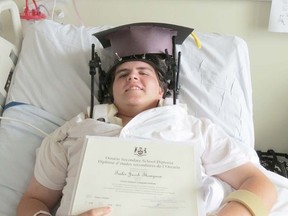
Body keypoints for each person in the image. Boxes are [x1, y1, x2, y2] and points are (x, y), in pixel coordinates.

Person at [17, 23, 276, 216]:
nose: (132, 77)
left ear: (162, 90)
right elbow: (32, 200)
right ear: (111, 91)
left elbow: (259, 184)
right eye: (122, 75)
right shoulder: (74, 131)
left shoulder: (193, 128)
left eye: (143, 72)